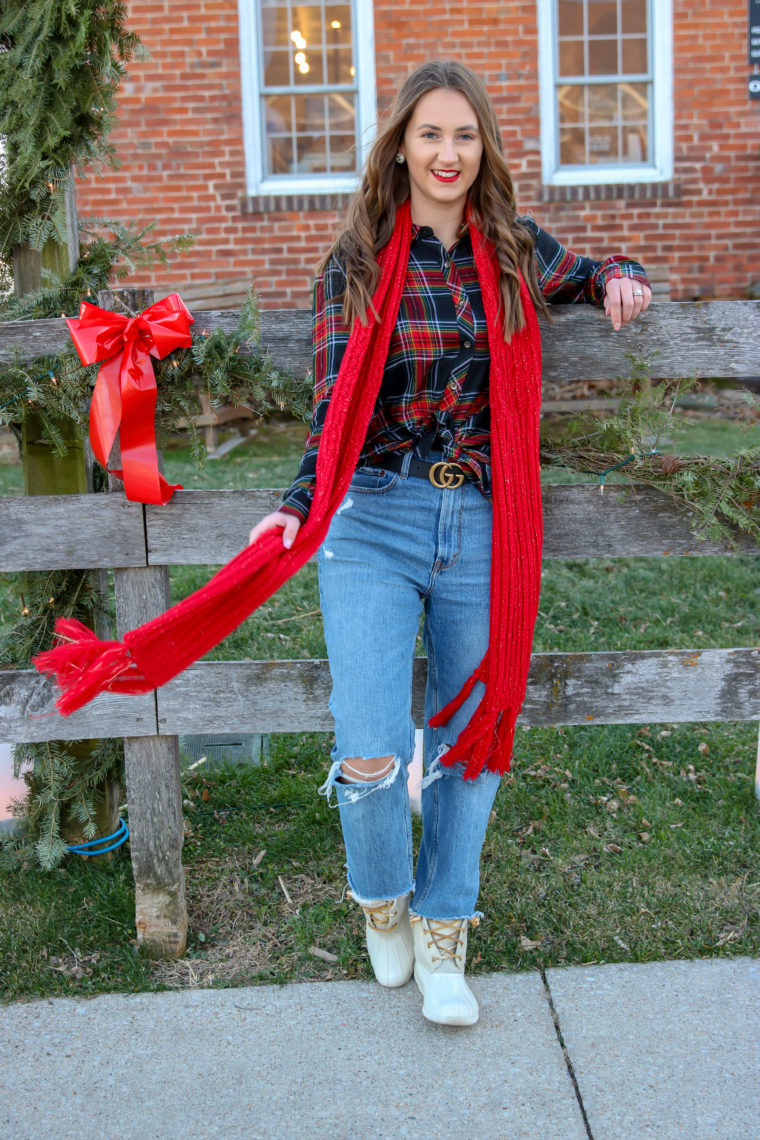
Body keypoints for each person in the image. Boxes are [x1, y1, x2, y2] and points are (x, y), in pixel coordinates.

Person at [248, 61, 651, 1027]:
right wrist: (299, 503)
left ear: (483, 150)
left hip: (479, 521)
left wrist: (620, 278)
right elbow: (333, 406)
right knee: (372, 749)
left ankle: (443, 932)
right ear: (399, 145)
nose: (447, 153)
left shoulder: (511, 251)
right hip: (374, 518)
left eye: (464, 136)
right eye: (430, 134)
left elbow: (591, 274)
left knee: (472, 743)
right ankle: (381, 897)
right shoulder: (354, 260)